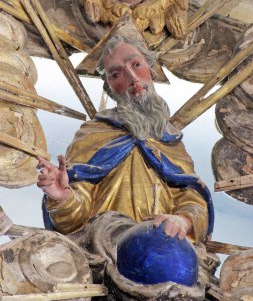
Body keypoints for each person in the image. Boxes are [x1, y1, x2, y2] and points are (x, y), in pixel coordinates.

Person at [37, 34, 213, 245]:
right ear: (109, 87)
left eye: (136, 64)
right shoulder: (93, 135)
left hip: (163, 247)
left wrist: (183, 221)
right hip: (105, 245)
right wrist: (63, 198)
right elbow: (74, 221)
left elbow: (192, 201)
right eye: (116, 74)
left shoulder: (172, 142)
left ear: (151, 68)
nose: (132, 77)